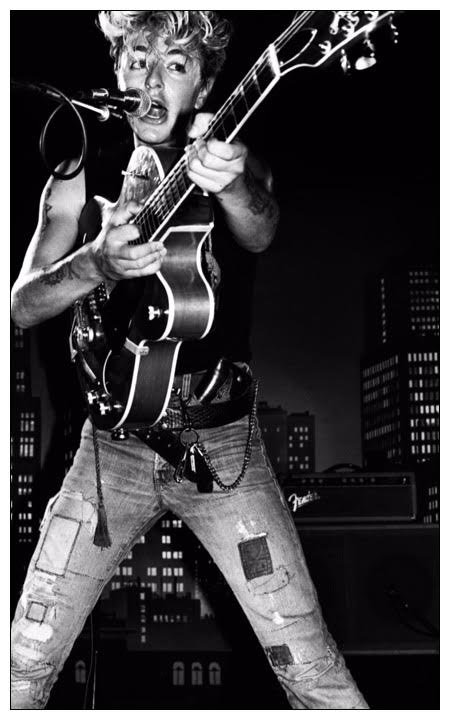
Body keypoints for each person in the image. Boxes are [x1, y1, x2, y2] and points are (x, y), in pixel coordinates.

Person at [11, 11, 368, 710]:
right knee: (23, 663)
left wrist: (232, 185)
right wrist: (93, 263)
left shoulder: (227, 146)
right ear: (116, 67)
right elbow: (23, 303)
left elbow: (260, 229)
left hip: (223, 448)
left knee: (308, 662)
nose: (151, 77)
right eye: (139, 57)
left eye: (175, 64)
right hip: (110, 448)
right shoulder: (78, 168)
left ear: (202, 81)